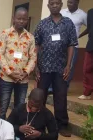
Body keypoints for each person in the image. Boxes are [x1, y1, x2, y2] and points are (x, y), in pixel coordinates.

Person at [34, 0, 78, 137]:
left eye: (57, 3)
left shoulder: (68, 23)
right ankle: (40, 124)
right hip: (44, 67)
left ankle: (62, 125)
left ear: (61, 5)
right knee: (40, 97)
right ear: (48, 6)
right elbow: (36, 45)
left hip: (61, 68)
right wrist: (35, 66)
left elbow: (71, 44)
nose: (54, 6)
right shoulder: (42, 24)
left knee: (61, 96)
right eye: (52, 4)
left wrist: (68, 65)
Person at [0, 7, 37, 119]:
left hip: (22, 79)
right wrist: (9, 73)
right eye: (18, 18)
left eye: (24, 19)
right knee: (3, 107)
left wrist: (26, 72)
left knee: (20, 107)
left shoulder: (30, 37)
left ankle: (16, 131)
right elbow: (0, 55)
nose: (21, 21)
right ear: (13, 18)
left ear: (27, 20)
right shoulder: (5, 33)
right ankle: (2, 130)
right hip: (6, 78)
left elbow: (33, 57)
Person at [48, 0, 87, 92]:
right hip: (59, 45)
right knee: (56, 64)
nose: (69, 4)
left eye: (72, 2)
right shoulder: (62, 12)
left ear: (77, 3)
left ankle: (64, 86)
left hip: (73, 46)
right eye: (68, 2)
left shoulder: (83, 15)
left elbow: (90, 26)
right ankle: (51, 87)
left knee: (70, 66)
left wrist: (79, 35)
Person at [78, 8, 93, 100]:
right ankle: (87, 93)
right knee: (87, 69)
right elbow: (89, 28)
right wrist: (79, 36)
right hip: (91, 45)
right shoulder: (90, 12)